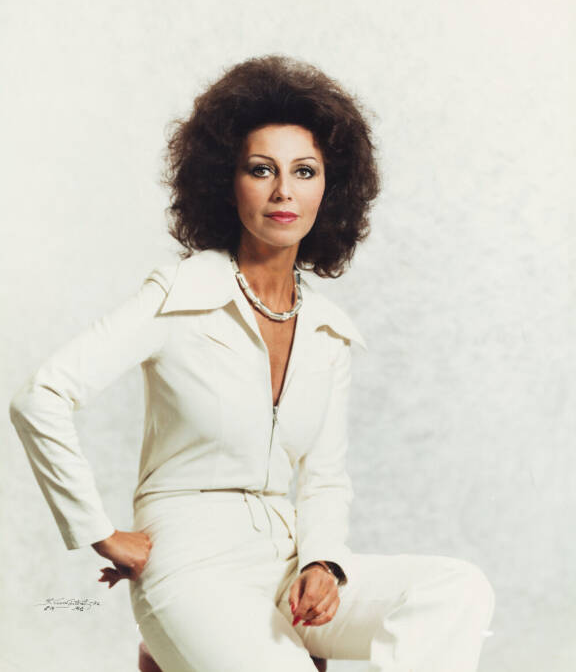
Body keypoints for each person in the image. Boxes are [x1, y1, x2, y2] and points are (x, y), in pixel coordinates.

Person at [9, 54, 495, 672]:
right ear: (226, 181)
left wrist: (323, 562)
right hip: (190, 565)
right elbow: (41, 397)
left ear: (331, 188)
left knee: (455, 590)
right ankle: (179, 646)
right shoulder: (180, 294)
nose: (283, 191)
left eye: (305, 171)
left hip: (287, 562)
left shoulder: (327, 331)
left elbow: (324, 479)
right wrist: (100, 531)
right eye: (261, 169)